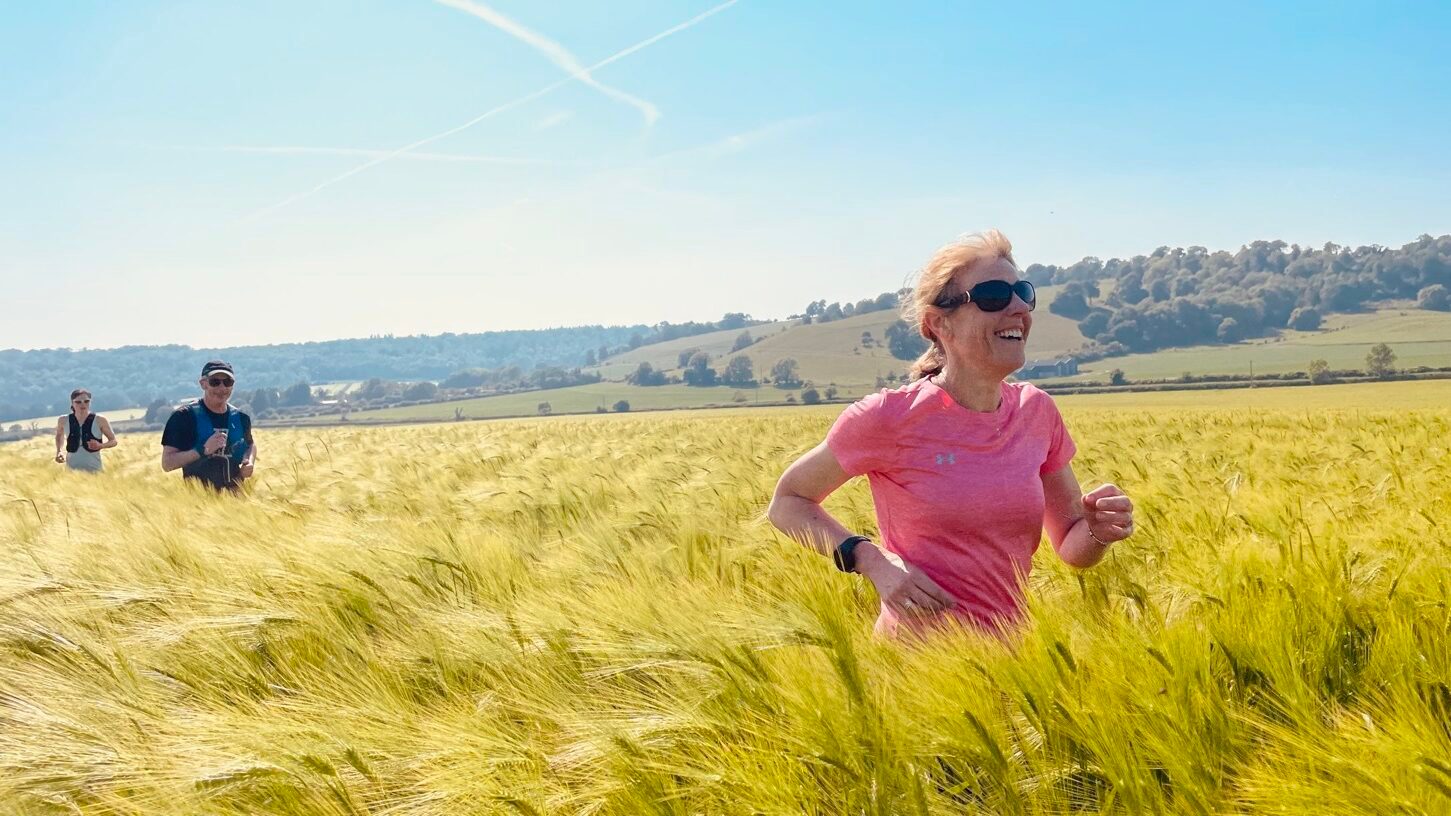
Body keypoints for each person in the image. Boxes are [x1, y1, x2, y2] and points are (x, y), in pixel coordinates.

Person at [768, 230, 1135, 637]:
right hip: (914, 666)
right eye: (994, 295)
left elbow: (1070, 542)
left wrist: (1099, 532)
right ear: (940, 323)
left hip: (1015, 663)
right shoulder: (888, 417)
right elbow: (788, 502)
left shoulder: (1037, 412)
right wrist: (872, 560)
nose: (1017, 307)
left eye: (1023, 293)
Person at [160, 360, 256, 491]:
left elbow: (250, 445)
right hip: (197, 503)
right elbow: (167, 464)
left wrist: (249, 461)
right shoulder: (184, 417)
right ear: (203, 384)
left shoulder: (241, 418)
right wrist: (202, 450)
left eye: (228, 382)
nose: (222, 388)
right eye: (215, 382)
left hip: (237, 503)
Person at [53, 389, 117, 472]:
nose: (83, 404)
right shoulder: (63, 420)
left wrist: (100, 445)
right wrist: (59, 451)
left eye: (86, 401)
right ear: (72, 403)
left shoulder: (100, 419)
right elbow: (59, 435)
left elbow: (113, 441)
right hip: (71, 473)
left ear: (90, 402)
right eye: (78, 402)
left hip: (95, 471)